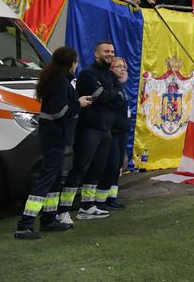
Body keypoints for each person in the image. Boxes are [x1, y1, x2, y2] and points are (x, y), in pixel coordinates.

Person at [15, 46, 94, 239]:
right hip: (55, 137)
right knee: (47, 179)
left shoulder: (57, 79)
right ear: (71, 63)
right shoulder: (60, 83)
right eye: (75, 61)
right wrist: (79, 104)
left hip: (55, 136)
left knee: (55, 179)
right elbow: (59, 111)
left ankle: (49, 219)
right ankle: (25, 224)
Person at [60, 41, 124, 220]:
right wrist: (110, 94)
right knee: (79, 168)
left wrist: (108, 93)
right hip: (89, 129)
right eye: (106, 51)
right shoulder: (88, 74)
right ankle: (63, 210)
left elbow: (119, 96)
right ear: (96, 54)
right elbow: (104, 96)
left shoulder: (110, 75)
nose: (110, 54)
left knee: (97, 169)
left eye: (112, 51)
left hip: (106, 129)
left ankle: (87, 207)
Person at [97, 56, 131, 210]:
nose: (123, 69)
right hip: (112, 131)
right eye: (119, 66)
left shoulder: (121, 87)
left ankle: (111, 197)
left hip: (122, 131)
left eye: (124, 67)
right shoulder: (110, 87)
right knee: (110, 165)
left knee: (117, 166)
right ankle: (100, 200)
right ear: (111, 70)